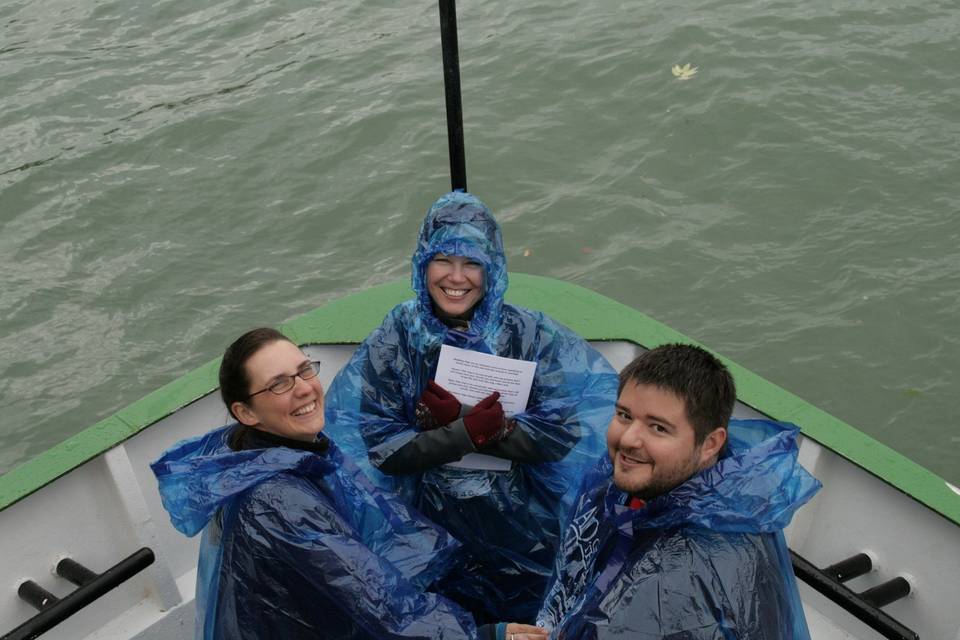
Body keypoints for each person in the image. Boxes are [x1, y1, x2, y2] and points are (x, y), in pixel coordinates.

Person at [324, 191, 619, 623]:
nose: (457, 277)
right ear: (422, 263)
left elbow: (561, 437)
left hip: (520, 525)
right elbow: (383, 450)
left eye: (473, 263)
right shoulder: (397, 337)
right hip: (428, 529)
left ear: (493, 270)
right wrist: (465, 432)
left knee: (522, 621)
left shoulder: (529, 334)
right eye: (443, 259)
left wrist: (472, 425)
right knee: (445, 623)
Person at [150, 327, 546, 640]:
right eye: (278, 384)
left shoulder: (258, 455)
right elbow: (374, 602)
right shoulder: (275, 501)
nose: (305, 388)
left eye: (304, 370)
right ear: (245, 412)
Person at [536, 343, 822, 639]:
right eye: (624, 415)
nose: (629, 439)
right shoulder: (628, 489)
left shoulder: (683, 575)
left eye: (658, 428)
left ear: (710, 444)